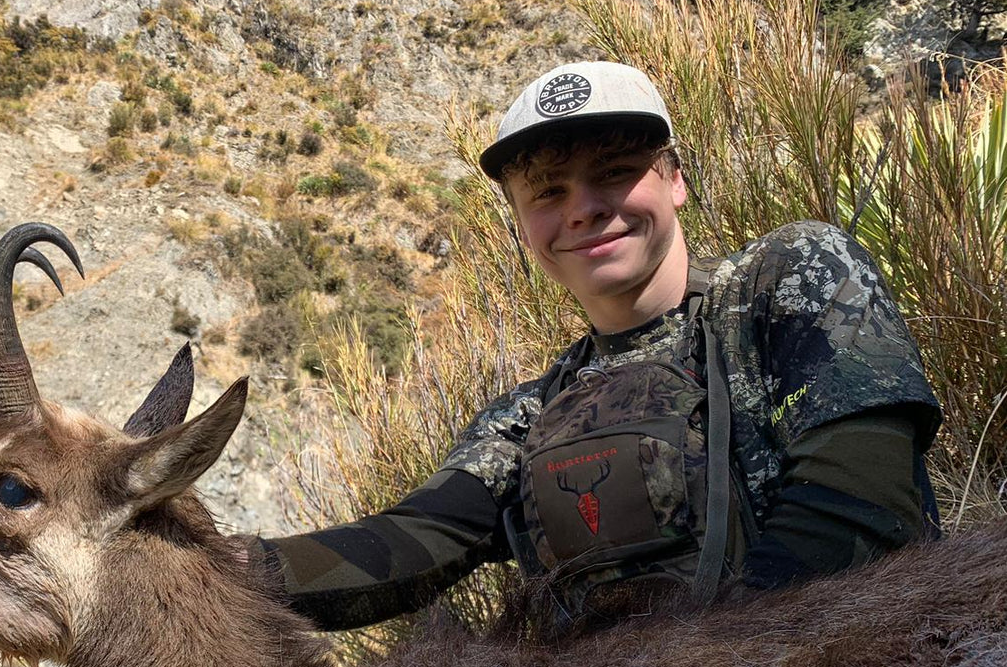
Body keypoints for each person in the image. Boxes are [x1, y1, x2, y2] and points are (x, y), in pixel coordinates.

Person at [258, 61, 941, 637]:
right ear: (523, 226)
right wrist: (213, 567)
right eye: (546, 192)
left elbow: (863, 488)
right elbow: (411, 547)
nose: (582, 208)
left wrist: (712, 660)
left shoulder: (790, 276)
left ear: (675, 180)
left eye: (613, 172)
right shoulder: (527, 416)